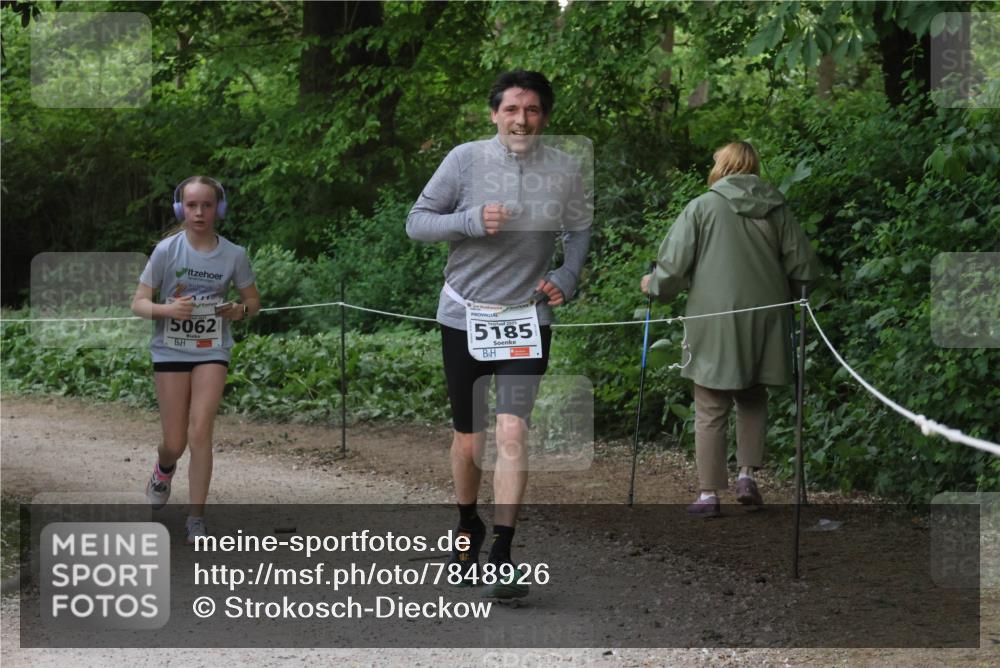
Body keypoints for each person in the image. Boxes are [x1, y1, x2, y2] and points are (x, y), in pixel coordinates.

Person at [406, 70, 591, 597]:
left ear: (545, 118)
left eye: (532, 110)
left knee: (512, 432)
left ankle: (504, 550)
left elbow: (579, 227)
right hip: (464, 316)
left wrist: (568, 274)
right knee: (470, 441)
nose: (521, 119)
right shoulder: (465, 159)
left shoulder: (564, 169)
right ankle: (468, 524)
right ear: (494, 114)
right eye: (511, 109)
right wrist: (468, 220)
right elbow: (416, 222)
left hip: (526, 317)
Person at [641, 142, 820, 517]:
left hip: (713, 318)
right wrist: (791, 297)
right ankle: (746, 476)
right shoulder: (777, 209)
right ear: (754, 166)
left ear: (722, 166)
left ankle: (708, 495)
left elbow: (672, 269)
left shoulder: (702, 207)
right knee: (752, 395)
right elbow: (804, 268)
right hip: (767, 316)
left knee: (710, 403)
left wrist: (653, 286)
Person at [132, 176, 260, 543]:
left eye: (206, 205)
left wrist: (240, 310)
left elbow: (253, 302)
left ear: (219, 209)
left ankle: (196, 518)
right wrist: (168, 309)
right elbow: (138, 303)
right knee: (175, 441)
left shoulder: (234, 254)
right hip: (170, 350)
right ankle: (164, 467)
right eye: (191, 205)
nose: (199, 212)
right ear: (180, 208)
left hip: (212, 350)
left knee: (200, 429)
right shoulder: (166, 251)